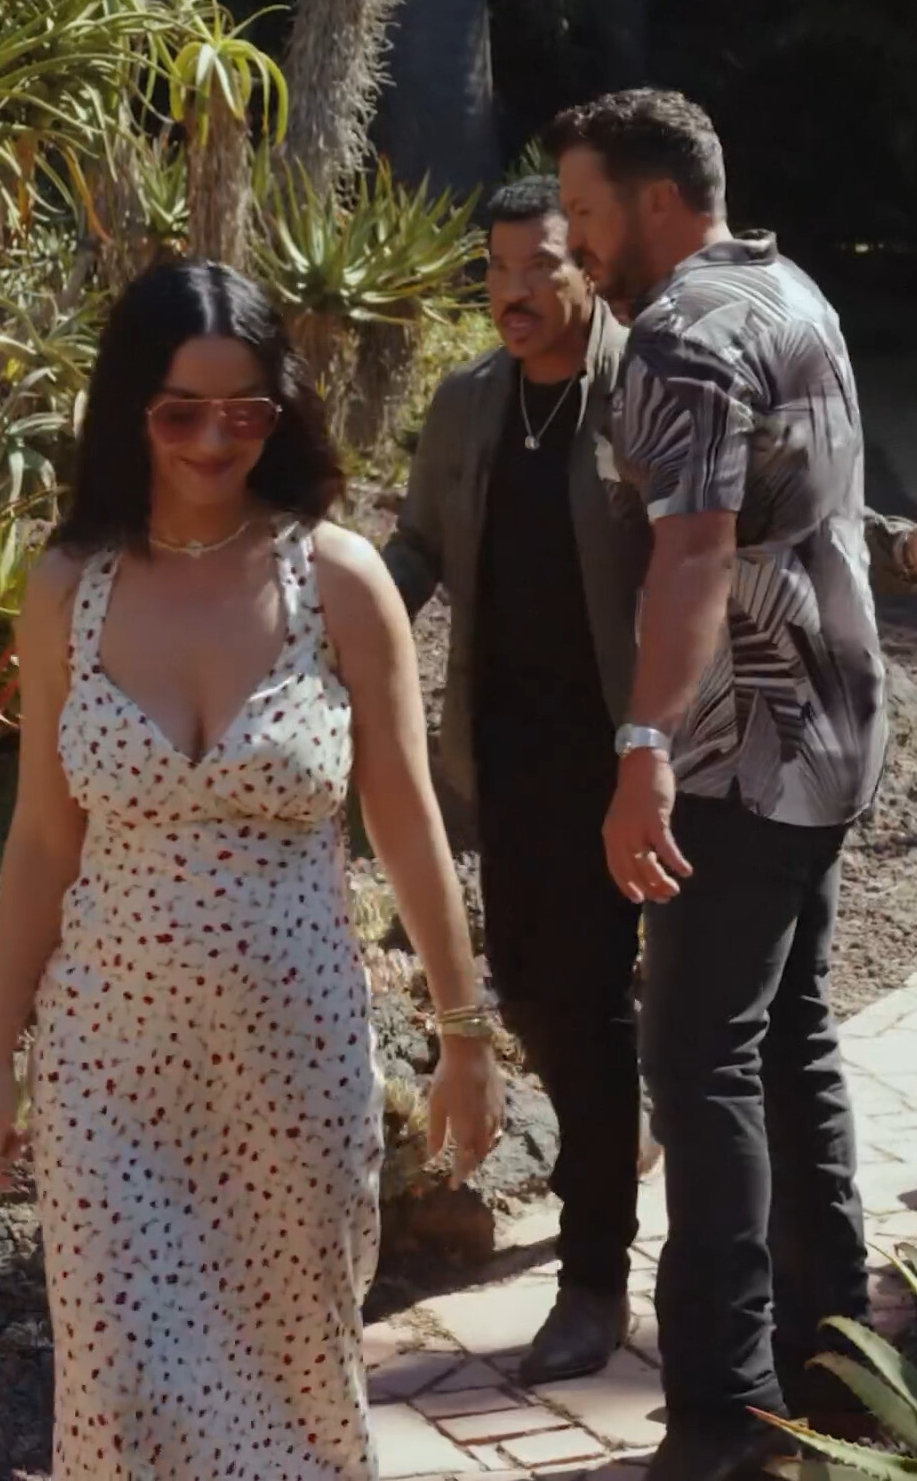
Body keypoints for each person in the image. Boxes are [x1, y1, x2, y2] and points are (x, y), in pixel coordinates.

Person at [0, 260, 503, 1481]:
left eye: (246, 411)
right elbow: (41, 837)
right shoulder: (70, 587)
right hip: (109, 1073)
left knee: (297, 1398)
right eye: (182, 412)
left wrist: (464, 1032)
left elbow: (405, 815)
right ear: (129, 412)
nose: (216, 440)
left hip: (292, 1072)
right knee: (121, 1401)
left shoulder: (339, 579)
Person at [555, 87, 889, 1481]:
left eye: (583, 212)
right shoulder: (788, 289)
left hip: (741, 745)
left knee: (699, 1058)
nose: (573, 245)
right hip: (838, 730)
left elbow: (693, 552)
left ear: (654, 200)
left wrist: (644, 747)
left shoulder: (683, 333)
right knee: (785, 1034)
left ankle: (721, 1410)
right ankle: (840, 1369)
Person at [384, 178, 652, 1385]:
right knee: (539, 998)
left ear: (586, 262)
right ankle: (618, 1131)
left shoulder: (645, 388)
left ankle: (593, 1278)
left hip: (631, 756)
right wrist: (326, 631)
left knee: (590, 1004)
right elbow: (419, 550)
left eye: (539, 266)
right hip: (507, 759)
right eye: (494, 271)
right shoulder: (468, 403)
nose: (513, 291)